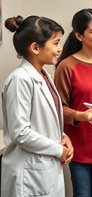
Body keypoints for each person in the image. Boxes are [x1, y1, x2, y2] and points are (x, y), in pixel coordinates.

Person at [1, 15, 73, 197]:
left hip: (44, 169)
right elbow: (21, 132)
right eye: (55, 43)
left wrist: (63, 137)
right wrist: (59, 151)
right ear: (35, 47)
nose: (60, 48)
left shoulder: (44, 75)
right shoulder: (20, 80)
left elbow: (47, 118)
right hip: (29, 172)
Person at [54, 9, 92, 197]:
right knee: (82, 194)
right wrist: (82, 116)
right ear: (79, 35)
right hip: (79, 146)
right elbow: (57, 109)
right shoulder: (67, 66)